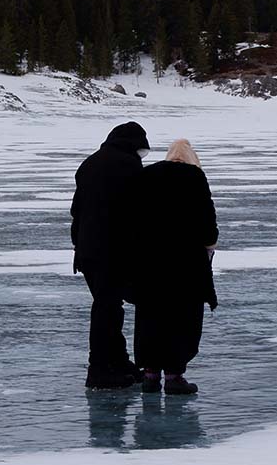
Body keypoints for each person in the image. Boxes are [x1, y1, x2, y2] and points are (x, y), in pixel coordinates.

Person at [131, 138, 219, 395]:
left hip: (149, 261)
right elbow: (206, 217)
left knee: (150, 315)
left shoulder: (148, 175)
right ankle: (173, 375)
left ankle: (149, 374)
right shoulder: (195, 177)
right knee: (182, 318)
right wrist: (209, 243)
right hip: (185, 262)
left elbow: (134, 216)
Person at [71, 121, 150, 390]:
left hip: (87, 250)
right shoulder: (127, 166)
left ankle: (117, 361)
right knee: (108, 309)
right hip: (113, 250)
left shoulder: (89, 164)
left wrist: (78, 246)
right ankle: (99, 369)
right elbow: (137, 212)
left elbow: (77, 210)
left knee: (108, 306)